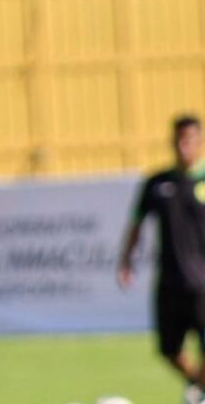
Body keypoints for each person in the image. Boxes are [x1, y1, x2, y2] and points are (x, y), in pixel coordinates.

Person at [118, 115, 205, 404]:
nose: (184, 145)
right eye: (179, 139)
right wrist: (125, 261)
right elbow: (136, 224)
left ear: (200, 142)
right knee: (168, 349)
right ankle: (198, 386)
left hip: (204, 283)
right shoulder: (157, 183)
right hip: (170, 281)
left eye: (190, 139)